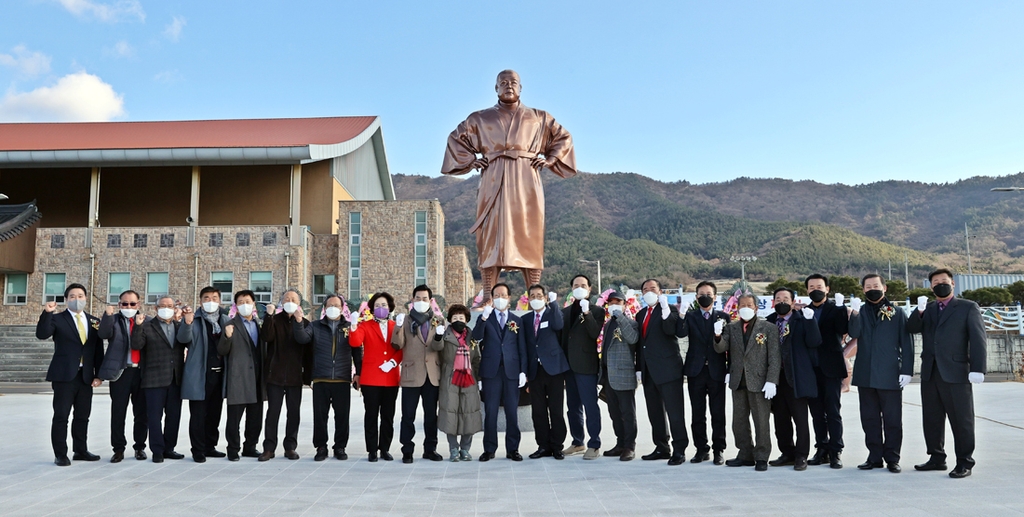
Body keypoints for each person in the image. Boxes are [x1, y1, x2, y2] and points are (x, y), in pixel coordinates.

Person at [440, 69, 577, 296]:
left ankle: (534, 294)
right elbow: (456, 139)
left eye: (513, 82)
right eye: (503, 82)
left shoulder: (539, 117)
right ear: (496, 88)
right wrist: (471, 161)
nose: (508, 85)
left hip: (527, 178)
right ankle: (488, 295)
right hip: (493, 177)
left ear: (521, 87)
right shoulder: (480, 118)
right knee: (490, 236)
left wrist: (551, 159)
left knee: (529, 233)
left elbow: (564, 137)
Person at [907, 268, 987, 479]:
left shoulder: (968, 307)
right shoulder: (929, 308)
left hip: (957, 372)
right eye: (935, 282)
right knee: (932, 418)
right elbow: (911, 328)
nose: (940, 284)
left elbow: (978, 340)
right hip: (930, 372)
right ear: (931, 286)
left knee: (961, 419)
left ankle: (964, 461)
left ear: (953, 284)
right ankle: (936, 457)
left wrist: (978, 368)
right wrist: (920, 311)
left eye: (944, 281)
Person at [848, 274, 914, 473]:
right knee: (869, 418)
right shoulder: (861, 312)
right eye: (868, 286)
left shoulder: (897, 312)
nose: (872, 289)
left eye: (876, 285)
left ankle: (892, 457)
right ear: (863, 290)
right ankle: (874, 456)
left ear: (884, 288)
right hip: (865, 374)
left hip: (889, 374)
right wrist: (854, 313)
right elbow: (854, 333)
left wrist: (907, 370)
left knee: (892, 419)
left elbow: (907, 343)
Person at [36, 283, 104, 466]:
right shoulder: (57, 319)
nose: (77, 299)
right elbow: (42, 334)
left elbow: (98, 350)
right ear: (66, 300)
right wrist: (47, 313)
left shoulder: (94, 321)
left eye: (80, 296)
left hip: (86, 376)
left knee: (82, 416)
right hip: (64, 375)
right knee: (61, 415)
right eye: (72, 296)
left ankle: (80, 450)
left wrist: (99, 375)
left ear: (86, 299)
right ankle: (60, 454)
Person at [715, 293, 780, 472]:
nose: (745, 307)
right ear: (736, 308)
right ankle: (745, 453)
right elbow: (721, 348)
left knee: (761, 421)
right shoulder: (731, 327)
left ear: (756, 307)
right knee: (739, 421)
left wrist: (771, 381)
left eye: (749, 305)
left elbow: (774, 357)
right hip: (738, 381)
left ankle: (761, 456)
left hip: (760, 382)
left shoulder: (768, 328)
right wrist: (718, 335)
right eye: (742, 304)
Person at [293, 294, 362, 461]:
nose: (333, 307)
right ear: (324, 308)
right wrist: (298, 322)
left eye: (336, 305)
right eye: (330, 305)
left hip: (342, 378)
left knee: (342, 416)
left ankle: (340, 447)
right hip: (321, 378)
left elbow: (357, 351)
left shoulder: (349, 327)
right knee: (320, 416)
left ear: (342, 308)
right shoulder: (316, 326)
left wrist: (358, 373)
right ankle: (321, 446)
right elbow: (302, 338)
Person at [765, 288, 822, 471]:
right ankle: (787, 452)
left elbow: (815, 342)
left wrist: (810, 320)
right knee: (780, 419)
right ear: (773, 301)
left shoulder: (801, 318)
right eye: (778, 298)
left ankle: (801, 455)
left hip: (796, 376)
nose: (782, 301)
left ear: (792, 301)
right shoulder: (770, 321)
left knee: (800, 419)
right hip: (776, 377)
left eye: (785, 298)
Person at [675, 281, 730, 465]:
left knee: (718, 413)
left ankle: (718, 449)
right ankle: (701, 449)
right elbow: (681, 334)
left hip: (717, 370)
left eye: (708, 293)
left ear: (715, 297)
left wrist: (729, 369)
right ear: (696, 297)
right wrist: (681, 314)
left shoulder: (724, 317)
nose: (704, 296)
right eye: (701, 294)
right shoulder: (690, 317)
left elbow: (728, 345)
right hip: (695, 370)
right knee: (698, 413)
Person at [635, 279, 689, 465]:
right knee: (655, 413)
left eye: (652, 289)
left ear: (660, 291)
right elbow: (640, 344)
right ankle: (661, 447)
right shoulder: (641, 314)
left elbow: (669, 330)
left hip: (668, 370)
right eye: (645, 289)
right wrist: (639, 369)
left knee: (675, 413)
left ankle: (680, 449)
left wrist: (666, 311)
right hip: (649, 371)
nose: (648, 292)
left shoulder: (670, 309)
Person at [131, 295, 190, 462]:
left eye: (170, 305)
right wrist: (138, 326)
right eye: (163, 306)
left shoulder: (179, 326)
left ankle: (169, 448)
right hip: (153, 379)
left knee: (174, 416)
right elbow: (136, 345)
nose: (167, 308)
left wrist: (187, 320)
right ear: (156, 309)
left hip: (175, 378)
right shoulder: (148, 326)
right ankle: (157, 450)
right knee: (154, 416)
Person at [473, 282, 527, 462]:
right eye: (497, 295)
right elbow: (476, 338)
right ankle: (489, 449)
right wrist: (482, 319)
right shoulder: (486, 318)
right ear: (492, 299)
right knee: (491, 412)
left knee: (512, 412)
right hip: (491, 372)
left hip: (511, 372)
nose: (500, 298)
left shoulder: (516, 320)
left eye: (503, 295)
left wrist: (523, 372)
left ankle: (513, 449)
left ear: (509, 298)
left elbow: (522, 349)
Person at [393, 285, 447, 463]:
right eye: (418, 298)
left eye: (425, 299)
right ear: (412, 300)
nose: (421, 301)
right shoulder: (406, 320)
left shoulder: (439, 321)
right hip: (411, 375)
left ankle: (430, 449)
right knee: (408, 415)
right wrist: (398, 327)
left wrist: (439, 337)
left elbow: (439, 348)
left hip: (432, 374)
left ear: (431, 301)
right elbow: (398, 344)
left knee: (431, 415)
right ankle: (407, 449)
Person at [259, 289, 311, 461]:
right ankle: (269, 448)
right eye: (286, 298)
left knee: (293, 413)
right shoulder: (275, 320)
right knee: (273, 412)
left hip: (295, 376)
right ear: (281, 302)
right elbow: (266, 337)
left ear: (299, 303)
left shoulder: (304, 323)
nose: (290, 301)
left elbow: (307, 351)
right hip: (275, 375)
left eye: (293, 299)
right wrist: (269, 316)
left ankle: (290, 447)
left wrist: (307, 376)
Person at [97, 289, 148, 462]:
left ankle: (140, 447)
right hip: (121, 372)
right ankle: (118, 449)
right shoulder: (114, 320)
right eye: (124, 304)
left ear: (138, 305)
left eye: (132, 304)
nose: (128, 306)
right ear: (119, 305)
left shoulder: (146, 321)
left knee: (141, 413)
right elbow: (103, 334)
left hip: (141, 372)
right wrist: (108, 315)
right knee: (118, 412)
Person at [349, 292, 401, 462]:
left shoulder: (396, 326)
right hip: (371, 378)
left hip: (390, 377)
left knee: (388, 416)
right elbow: (356, 343)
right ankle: (372, 450)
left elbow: (402, 348)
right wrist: (354, 326)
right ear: (372, 309)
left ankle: (384, 448)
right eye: (377, 305)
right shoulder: (366, 325)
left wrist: (393, 362)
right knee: (371, 415)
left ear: (390, 307)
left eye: (384, 305)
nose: (381, 308)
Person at [181, 286, 230, 462]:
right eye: (207, 298)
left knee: (214, 413)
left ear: (219, 301)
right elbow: (183, 340)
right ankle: (198, 449)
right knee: (198, 415)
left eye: (214, 298)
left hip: (219, 374)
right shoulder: (194, 320)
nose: (211, 301)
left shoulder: (225, 320)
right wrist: (186, 323)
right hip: (199, 375)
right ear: (200, 301)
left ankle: (210, 446)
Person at [804, 274, 849, 468]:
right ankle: (821, 448)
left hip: (831, 367)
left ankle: (835, 450)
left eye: (819, 286)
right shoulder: (804, 312)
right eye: (812, 287)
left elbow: (843, 330)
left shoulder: (835, 308)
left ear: (827, 289)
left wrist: (841, 310)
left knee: (832, 410)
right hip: (811, 368)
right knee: (816, 412)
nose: (816, 289)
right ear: (807, 290)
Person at [560, 274, 605, 459]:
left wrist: (587, 314)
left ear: (589, 289)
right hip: (568, 366)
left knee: (590, 405)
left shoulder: (597, 311)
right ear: (572, 288)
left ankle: (594, 443)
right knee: (573, 407)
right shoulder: (564, 312)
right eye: (576, 285)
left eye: (583, 285)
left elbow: (594, 333)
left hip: (586, 365)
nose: (579, 287)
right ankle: (578, 441)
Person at [217, 290, 265, 461]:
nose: (245, 304)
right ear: (236, 306)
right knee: (234, 419)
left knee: (255, 417)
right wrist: (227, 336)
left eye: (248, 301)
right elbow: (222, 350)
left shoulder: (260, 324)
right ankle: (233, 449)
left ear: (253, 304)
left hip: (257, 378)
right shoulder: (230, 324)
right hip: (237, 378)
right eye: (241, 302)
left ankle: (250, 447)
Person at [523, 285, 568, 460]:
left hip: (554, 369)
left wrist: (554, 303)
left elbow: (558, 325)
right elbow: (525, 347)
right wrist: (524, 372)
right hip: (535, 371)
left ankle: (557, 446)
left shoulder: (552, 314)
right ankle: (543, 446)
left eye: (539, 296)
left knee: (556, 410)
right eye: (532, 296)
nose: (536, 298)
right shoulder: (525, 319)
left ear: (545, 298)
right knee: (538, 411)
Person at [438, 304, 483, 461]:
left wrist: (478, 378)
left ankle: (465, 448)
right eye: (455, 318)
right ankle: (453, 449)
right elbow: (438, 351)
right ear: (450, 320)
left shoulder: (472, 338)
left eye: (461, 318)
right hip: (450, 379)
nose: (458, 320)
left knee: (468, 413)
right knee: (450, 413)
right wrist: (437, 336)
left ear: (467, 320)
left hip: (469, 379)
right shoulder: (445, 335)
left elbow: (477, 359)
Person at [599, 292, 640, 461]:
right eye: (611, 302)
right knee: (614, 412)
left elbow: (632, 339)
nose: (614, 305)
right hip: (609, 375)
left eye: (618, 302)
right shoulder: (608, 325)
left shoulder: (631, 323)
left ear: (625, 305)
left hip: (623, 375)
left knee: (627, 413)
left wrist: (621, 317)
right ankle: (620, 443)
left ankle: (630, 446)